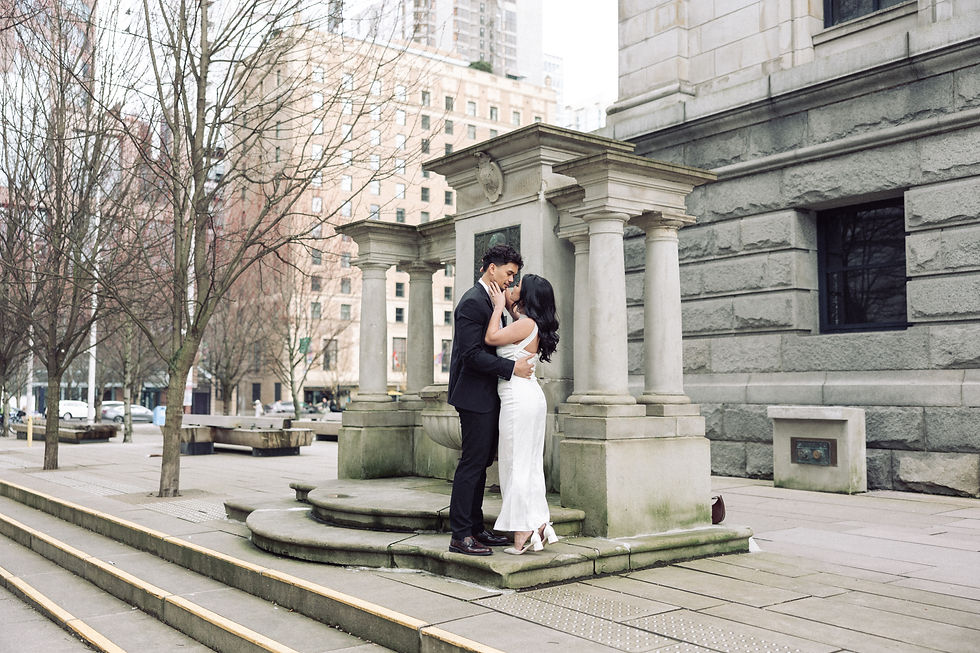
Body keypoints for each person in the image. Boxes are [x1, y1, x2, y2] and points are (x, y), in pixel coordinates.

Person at [447, 244, 535, 556]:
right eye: (509, 273)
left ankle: (475, 528)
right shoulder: (473, 302)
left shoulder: (489, 299)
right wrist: (512, 368)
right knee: (472, 464)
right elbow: (471, 355)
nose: (512, 280)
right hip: (473, 396)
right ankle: (460, 535)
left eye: (514, 275)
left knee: (481, 463)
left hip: (486, 395)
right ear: (491, 269)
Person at [484, 273, 560, 554]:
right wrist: (508, 310)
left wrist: (496, 308)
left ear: (527, 296)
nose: (512, 288)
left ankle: (523, 530)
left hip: (518, 399)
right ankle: (538, 522)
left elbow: (492, 337)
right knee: (528, 465)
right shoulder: (530, 323)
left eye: (518, 286)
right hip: (530, 397)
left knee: (515, 464)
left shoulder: (525, 324)